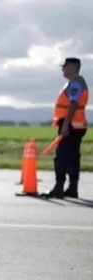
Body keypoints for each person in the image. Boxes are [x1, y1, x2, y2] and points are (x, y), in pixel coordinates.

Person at [42, 57, 88, 199]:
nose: (62, 68)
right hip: (76, 125)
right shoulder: (76, 83)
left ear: (73, 67)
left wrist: (66, 124)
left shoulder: (75, 84)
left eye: (65, 66)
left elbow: (73, 104)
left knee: (62, 157)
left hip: (70, 126)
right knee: (73, 157)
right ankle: (72, 188)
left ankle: (59, 188)